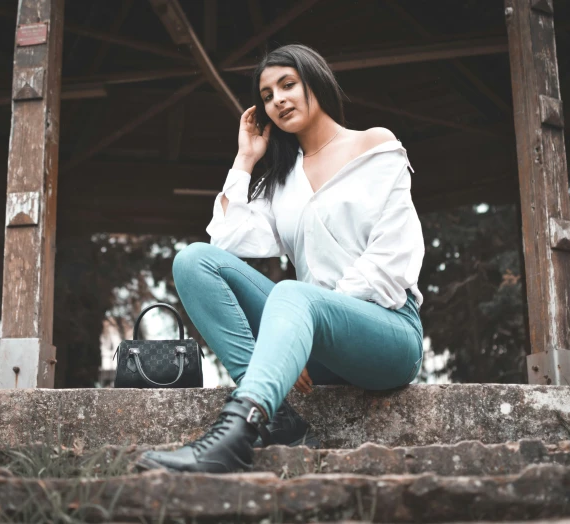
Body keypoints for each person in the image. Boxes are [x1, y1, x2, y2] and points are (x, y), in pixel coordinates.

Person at [136, 44, 424, 473]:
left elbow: (393, 255)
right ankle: (283, 421)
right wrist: (245, 159)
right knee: (193, 260)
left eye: (288, 85)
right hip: (313, 341)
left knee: (295, 294)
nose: (278, 100)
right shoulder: (282, 181)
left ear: (316, 81)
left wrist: (312, 320)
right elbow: (226, 241)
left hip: (387, 334)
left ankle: (235, 434)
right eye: (267, 95)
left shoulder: (375, 145)